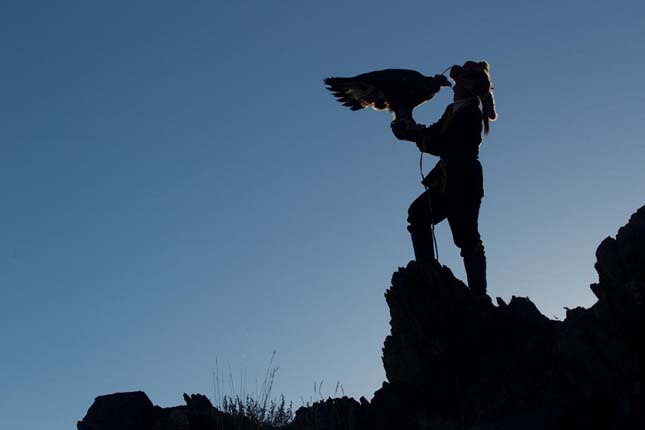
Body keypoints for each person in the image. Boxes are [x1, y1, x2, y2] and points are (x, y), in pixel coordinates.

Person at [390, 60, 497, 295]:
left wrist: (421, 139)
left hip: (464, 180)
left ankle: (478, 295)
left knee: (466, 237)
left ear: (468, 86)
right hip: (447, 180)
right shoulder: (453, 109)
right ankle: (428, 271)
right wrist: (412, 131)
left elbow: (449, 144)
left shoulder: (471, 113)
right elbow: (436, 133)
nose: (454, 85)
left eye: (458, 81)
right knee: (418, 215)